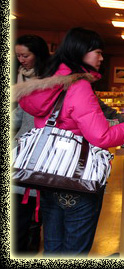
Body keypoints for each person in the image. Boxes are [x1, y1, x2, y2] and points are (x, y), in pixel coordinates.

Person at [14, 27, 124, 256]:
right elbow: (100, 136)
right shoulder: (79, 86)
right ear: (81, 52)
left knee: (53, 247)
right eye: (98, 52)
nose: (101, 58)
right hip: (76, 179)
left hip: (47, 177)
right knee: (75, 251)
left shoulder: (49, 84)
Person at [11, 35, 50, 255]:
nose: (21, 60)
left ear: (39, 54)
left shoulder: (48, 82)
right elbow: (17, 118)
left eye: (25, 55)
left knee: (29, 215)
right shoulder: (20, 77)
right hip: (22, 153)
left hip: (39, 158)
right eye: (17, 56)